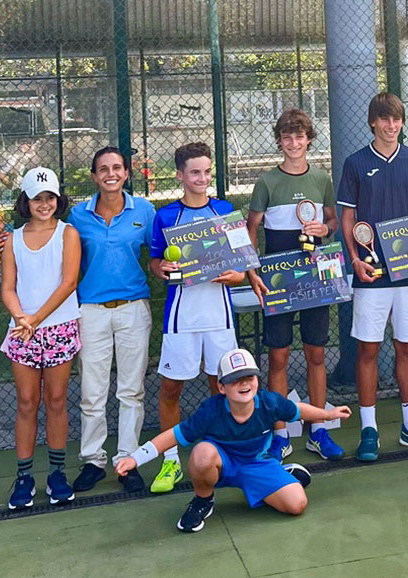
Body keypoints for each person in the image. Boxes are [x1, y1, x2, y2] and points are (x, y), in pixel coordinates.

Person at [115, 348, 352, 533]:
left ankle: (283, 477)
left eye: (249, 376)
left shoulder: (269, 402)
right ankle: (203, 500)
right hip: (221, 466)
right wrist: (135, 458)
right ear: (221, 387)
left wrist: (329, 414)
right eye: (236, 379)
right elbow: (173, 436)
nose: (245, 383)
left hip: (257, 465)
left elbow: (298, 410)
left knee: (297, 505)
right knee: (202, 453)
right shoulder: (210, 410)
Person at [338, 92, 408, 461]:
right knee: (368, 350)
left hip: (407, 273)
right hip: (371, 273)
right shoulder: (355, 163)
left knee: (407, 347)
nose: (391, 126)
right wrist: (354, 258)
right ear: (373, 122)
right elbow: (348, 219)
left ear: (402, 122)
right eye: (384, 120)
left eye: (397, 119)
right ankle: (369, 430)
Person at [246, 109, 343, 462]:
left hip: (316, 278)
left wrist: (326, 229)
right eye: (287, 137)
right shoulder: (267, 182)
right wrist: (252, 269)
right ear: (280, 141)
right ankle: (280, 434)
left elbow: (332, 219)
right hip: (277, 281)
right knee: (278, 357)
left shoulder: (321, 179)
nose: (294, 143)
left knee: (317, 353)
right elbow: (251, 229)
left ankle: (318, 430)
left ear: (308, 140)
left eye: (299, 136)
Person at [148, 142, 246, 493]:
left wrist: (235, 276)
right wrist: (163, 268)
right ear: (180, 175)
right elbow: (155, 262)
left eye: (207, 172)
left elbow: (242, 268)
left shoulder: (225, 210)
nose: (202, 178)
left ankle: (221, 453)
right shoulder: (165, 217)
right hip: (181, 316)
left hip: (218, 314)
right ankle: (171, 462)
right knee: (171, 387)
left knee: (221, 386)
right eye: (194, 172)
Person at [68, 147, 157, 492]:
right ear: (94, 176)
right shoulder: (78, 216)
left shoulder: (145, 211)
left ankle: (127, 461)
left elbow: (158, 253)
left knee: (131, 390)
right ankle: (92, 460)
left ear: (126, 173)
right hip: (90, 311)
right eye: (103, 169)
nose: (110, 174)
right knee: (92, 392)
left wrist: (164, 266)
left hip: (133, 308)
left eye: (117, 168)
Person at [0, 167, 81, 508]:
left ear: (58, 199)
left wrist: (35, 318)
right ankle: (24, 477)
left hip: (59, 328)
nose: (44, 204)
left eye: (50, 197)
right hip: (23, 331)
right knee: (27, 401)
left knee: (58, 399)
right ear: (26, 201)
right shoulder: (12, 239)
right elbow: (7, 288)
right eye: (37, 198)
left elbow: (68, 283)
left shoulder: (69, 234)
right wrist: (21, 317)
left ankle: (57, 474)